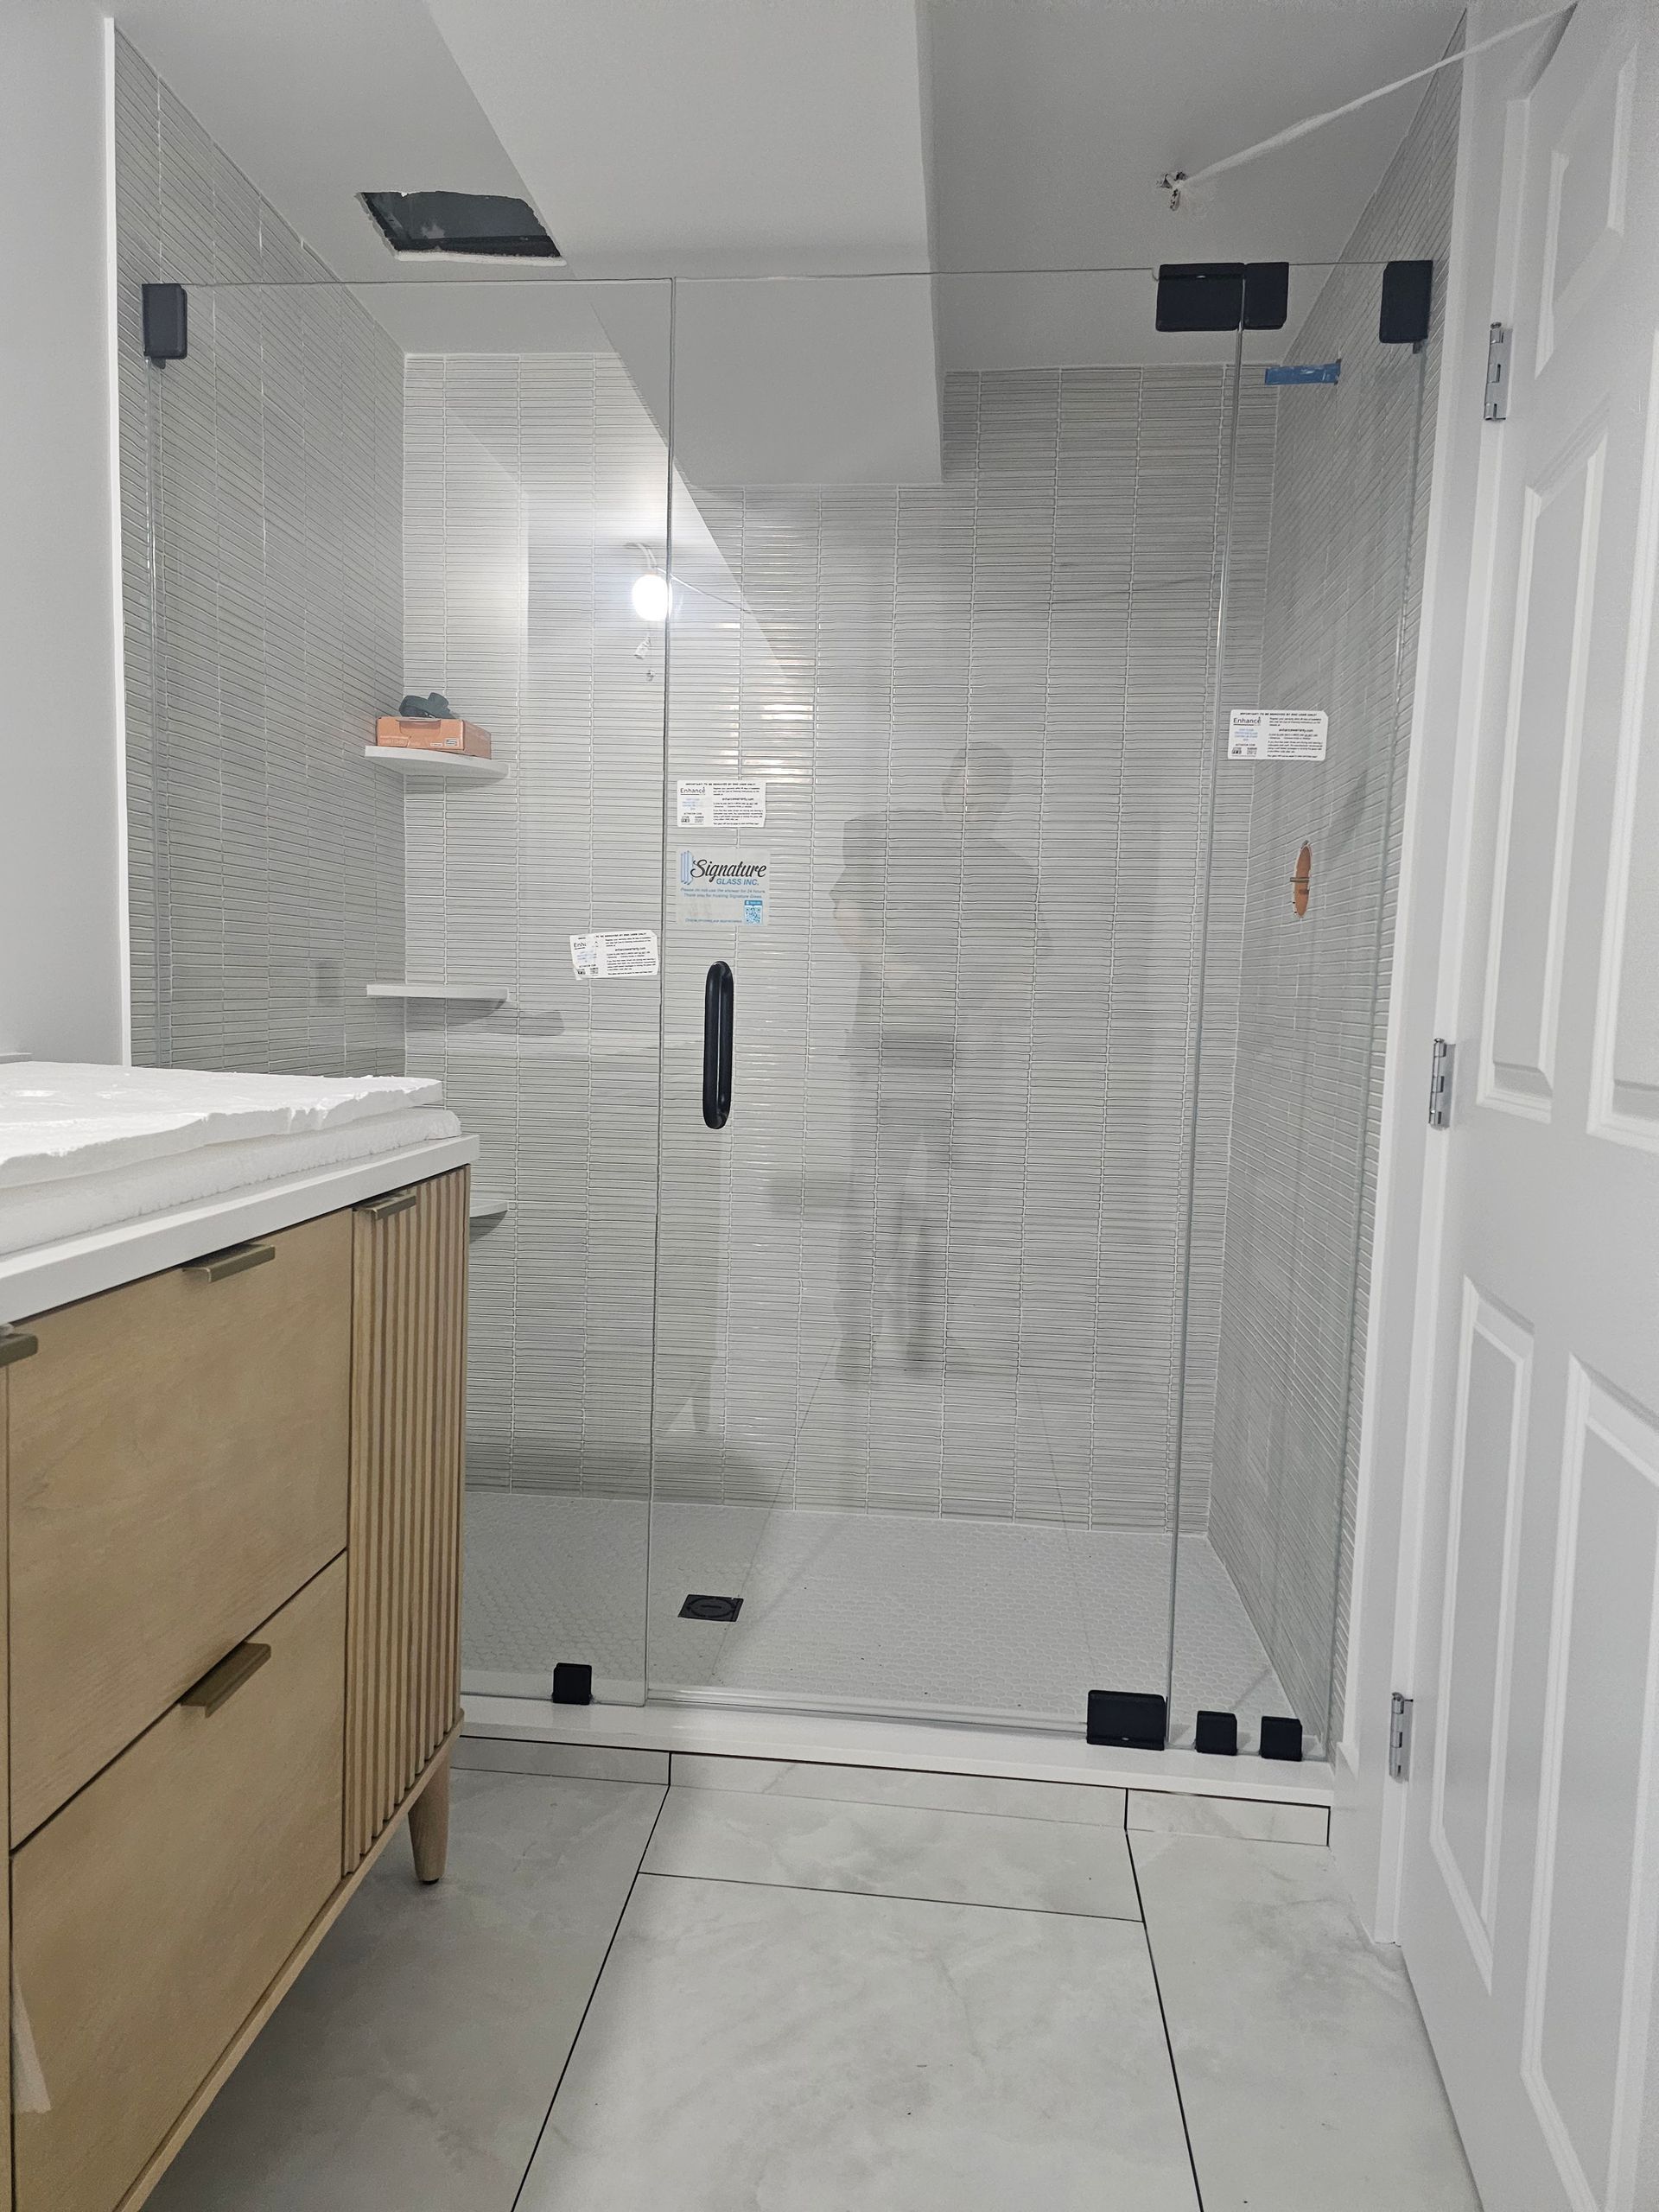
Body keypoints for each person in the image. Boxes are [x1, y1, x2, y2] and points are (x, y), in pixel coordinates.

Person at [830, 745, 1039, 1383]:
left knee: (958, 1206)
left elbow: (1027, 959)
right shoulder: (894, 848)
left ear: (1003, 804)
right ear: (946, 789)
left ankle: (930, 1334)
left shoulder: (1012, 873)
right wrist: (903, 977)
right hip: (894, 1053)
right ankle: (859, 1341)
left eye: (989, 798)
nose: (975, 807)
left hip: (972, 1061)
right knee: (875, 1198)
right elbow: (849, 918)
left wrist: (986, 1005)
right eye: (966, 793)